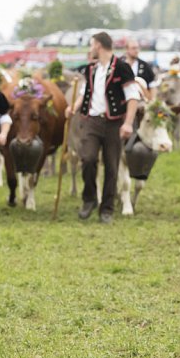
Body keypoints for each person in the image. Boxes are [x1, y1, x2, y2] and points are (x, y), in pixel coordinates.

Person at [67, 32, 140, 224]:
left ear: (98, 45)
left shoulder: (122, 67)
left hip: (114, 123)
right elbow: (84, 93)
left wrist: (128, 123)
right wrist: (73, 107)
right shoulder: (91, 69)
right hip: (92, 121)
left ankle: (107, 208)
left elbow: (133, 97)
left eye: (92, 45)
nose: (90, 49)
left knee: (111, 165)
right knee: (88, 158)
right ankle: (89, 199)